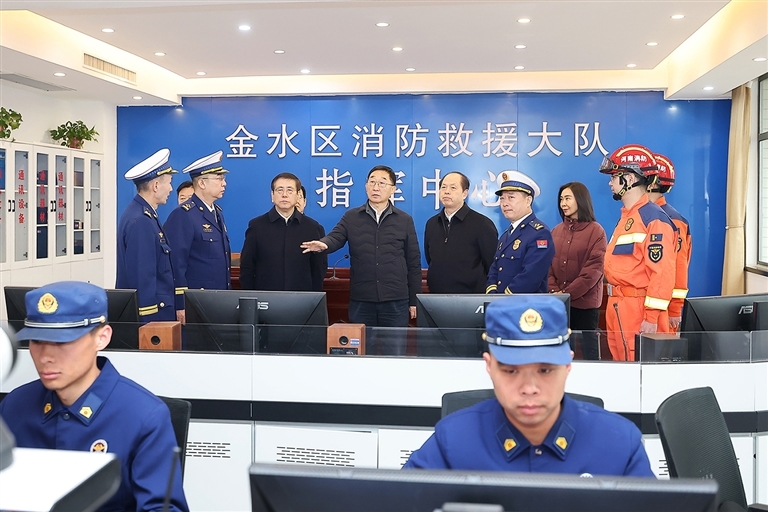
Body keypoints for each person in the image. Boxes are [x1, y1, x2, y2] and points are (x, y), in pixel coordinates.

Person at [402, 295, 654, 477]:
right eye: (511, 371)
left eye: (545, 370)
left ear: (568, 365)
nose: (529, 388)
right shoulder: (453, 441)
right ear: (489, 366)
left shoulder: (619, 444)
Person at [0, 281, 189, 511]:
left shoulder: (143, 416)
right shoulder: (14, 406)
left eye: (62, 341)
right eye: (37, 341)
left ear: (102, 337)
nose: (45, 356)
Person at [301, 165, 421, 327]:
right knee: (361, 342)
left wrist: (414, 300)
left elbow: (413, 262)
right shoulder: (352, 217)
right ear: (366, 186)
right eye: (372, 182)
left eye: (382, 183)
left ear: (393, 189)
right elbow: (336, 236)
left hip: (395, 300)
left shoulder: (404, 220)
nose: (376, 187)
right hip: (362, 299)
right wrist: (324, 244)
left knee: (394, 344)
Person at [599, 144, 676, 361]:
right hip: (618, 306)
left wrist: (651, 317)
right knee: (621, 366)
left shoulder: (653, 219)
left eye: (614, 177)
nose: (610, 183)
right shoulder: (628, 217)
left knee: (637, 366)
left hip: (638, 310)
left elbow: (662, 273)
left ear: (630, 179)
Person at [164, 150, 232, 323]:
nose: (224, 183)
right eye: (219, 178)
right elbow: (176, 263)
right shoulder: (183, 214)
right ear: (201, 183)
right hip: (196, 302)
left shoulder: (217, 212)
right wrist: (181, 303)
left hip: (218, 300)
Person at [116, 148, 179, 323]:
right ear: (155, 186)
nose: (171, 189)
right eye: (169, 183)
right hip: (151, 317)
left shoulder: (143, 214)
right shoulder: (141, 220)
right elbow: (142, 277)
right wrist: (148, 324)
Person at [548, 182, 606, 360]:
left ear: (580, 200)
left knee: (589, 356)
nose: (563, 203)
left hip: (585, 306)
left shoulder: (596, 232)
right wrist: (555, 292)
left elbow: (593, 271)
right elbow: (547, 267)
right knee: (561, 354)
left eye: (567, 198)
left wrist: (566, 294)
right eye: (561, 199)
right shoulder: (556, 231)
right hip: (559, 304)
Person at [240, 173, 327, 291]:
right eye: (280, 190)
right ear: (272, 195)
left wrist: (313, 298)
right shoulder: (257, 226)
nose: (284, 195)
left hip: (302, 299)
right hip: (265, 298)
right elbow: (247, 267)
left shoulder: (312, 227)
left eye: (290, 190)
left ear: (298, 195)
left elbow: (318, 269)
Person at [424, 172, 498, 294]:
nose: (447, 192)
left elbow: (491, 263)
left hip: (472, 298)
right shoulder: (432, 224)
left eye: (453, 188)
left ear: (465, 193)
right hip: (437, 297)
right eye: (443, 187)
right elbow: (430, 259)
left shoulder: (482, 224)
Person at [486, 170, 554, 294]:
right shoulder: (506, 235)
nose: (504, 203)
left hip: (525, 305)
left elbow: (531, 277)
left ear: (528, 201)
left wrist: (504, 298)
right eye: (502, 198)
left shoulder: (539, 234)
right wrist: (492, 296)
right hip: (500, 303)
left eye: (511, 197)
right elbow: (495, 269)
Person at [647, 153, 691, 331]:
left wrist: (675, 308)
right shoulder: (639, 214)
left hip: (662, 309)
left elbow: (678, 266)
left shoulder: (673, 220)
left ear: (652, 183)